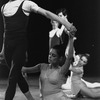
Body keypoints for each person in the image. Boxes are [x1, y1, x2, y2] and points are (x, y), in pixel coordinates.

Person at [1, 0, 76, 100]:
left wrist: (66, 23)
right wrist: (2, 49)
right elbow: (5, 32)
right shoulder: (4, 7)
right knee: (17, 75)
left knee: (12, 77)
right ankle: (31, 99)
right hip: (7, 47)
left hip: (19, 46)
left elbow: (46, 13)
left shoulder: (26, 4)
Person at [22, 30, 76, 100]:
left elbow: (69, 58)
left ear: (60, 58)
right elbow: (24, 69)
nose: (50, 56)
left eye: (53, 55)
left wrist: (71, 39)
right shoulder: (42, 66)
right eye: (49, 54)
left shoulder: (61, 70)